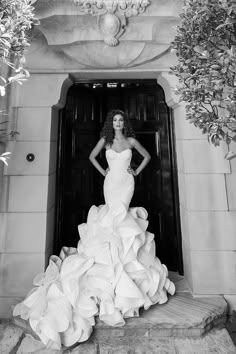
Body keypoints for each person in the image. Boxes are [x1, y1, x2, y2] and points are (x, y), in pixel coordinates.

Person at [13, 109, 175, 350]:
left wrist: (136, 172)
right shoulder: (106, 141)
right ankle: (111, 265)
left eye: (121, 120)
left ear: (125, 123)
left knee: (122, 218)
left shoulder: (130, 140)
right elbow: (91, 157)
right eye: (115, 120)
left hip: (126, 183)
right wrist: (105, 172)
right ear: (111, 123)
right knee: (111, 217)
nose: (118, 123)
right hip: (111, 184)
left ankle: (126, 266)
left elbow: (146, 156)